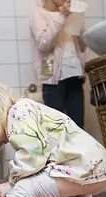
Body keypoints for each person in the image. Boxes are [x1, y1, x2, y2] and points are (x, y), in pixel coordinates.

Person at [30, 0, 87, 129]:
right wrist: (61, 16)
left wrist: (78, 23)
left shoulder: (70, 14)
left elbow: (82, 47)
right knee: (56, 129)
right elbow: (43, 44)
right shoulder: (38, 13)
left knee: (78, 128)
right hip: (50, 77)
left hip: (75, 76)